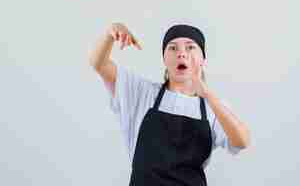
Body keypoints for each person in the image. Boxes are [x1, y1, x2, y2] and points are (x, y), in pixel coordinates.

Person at [89, 22, 250, 186]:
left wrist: (207, 94)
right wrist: (111, 33)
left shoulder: (213, 107)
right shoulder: (142, 92)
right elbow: (99, 64)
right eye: (173, 48)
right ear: (164, 59)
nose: (181, 53)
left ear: (203, 59)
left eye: (190, 47)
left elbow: (242, 141)